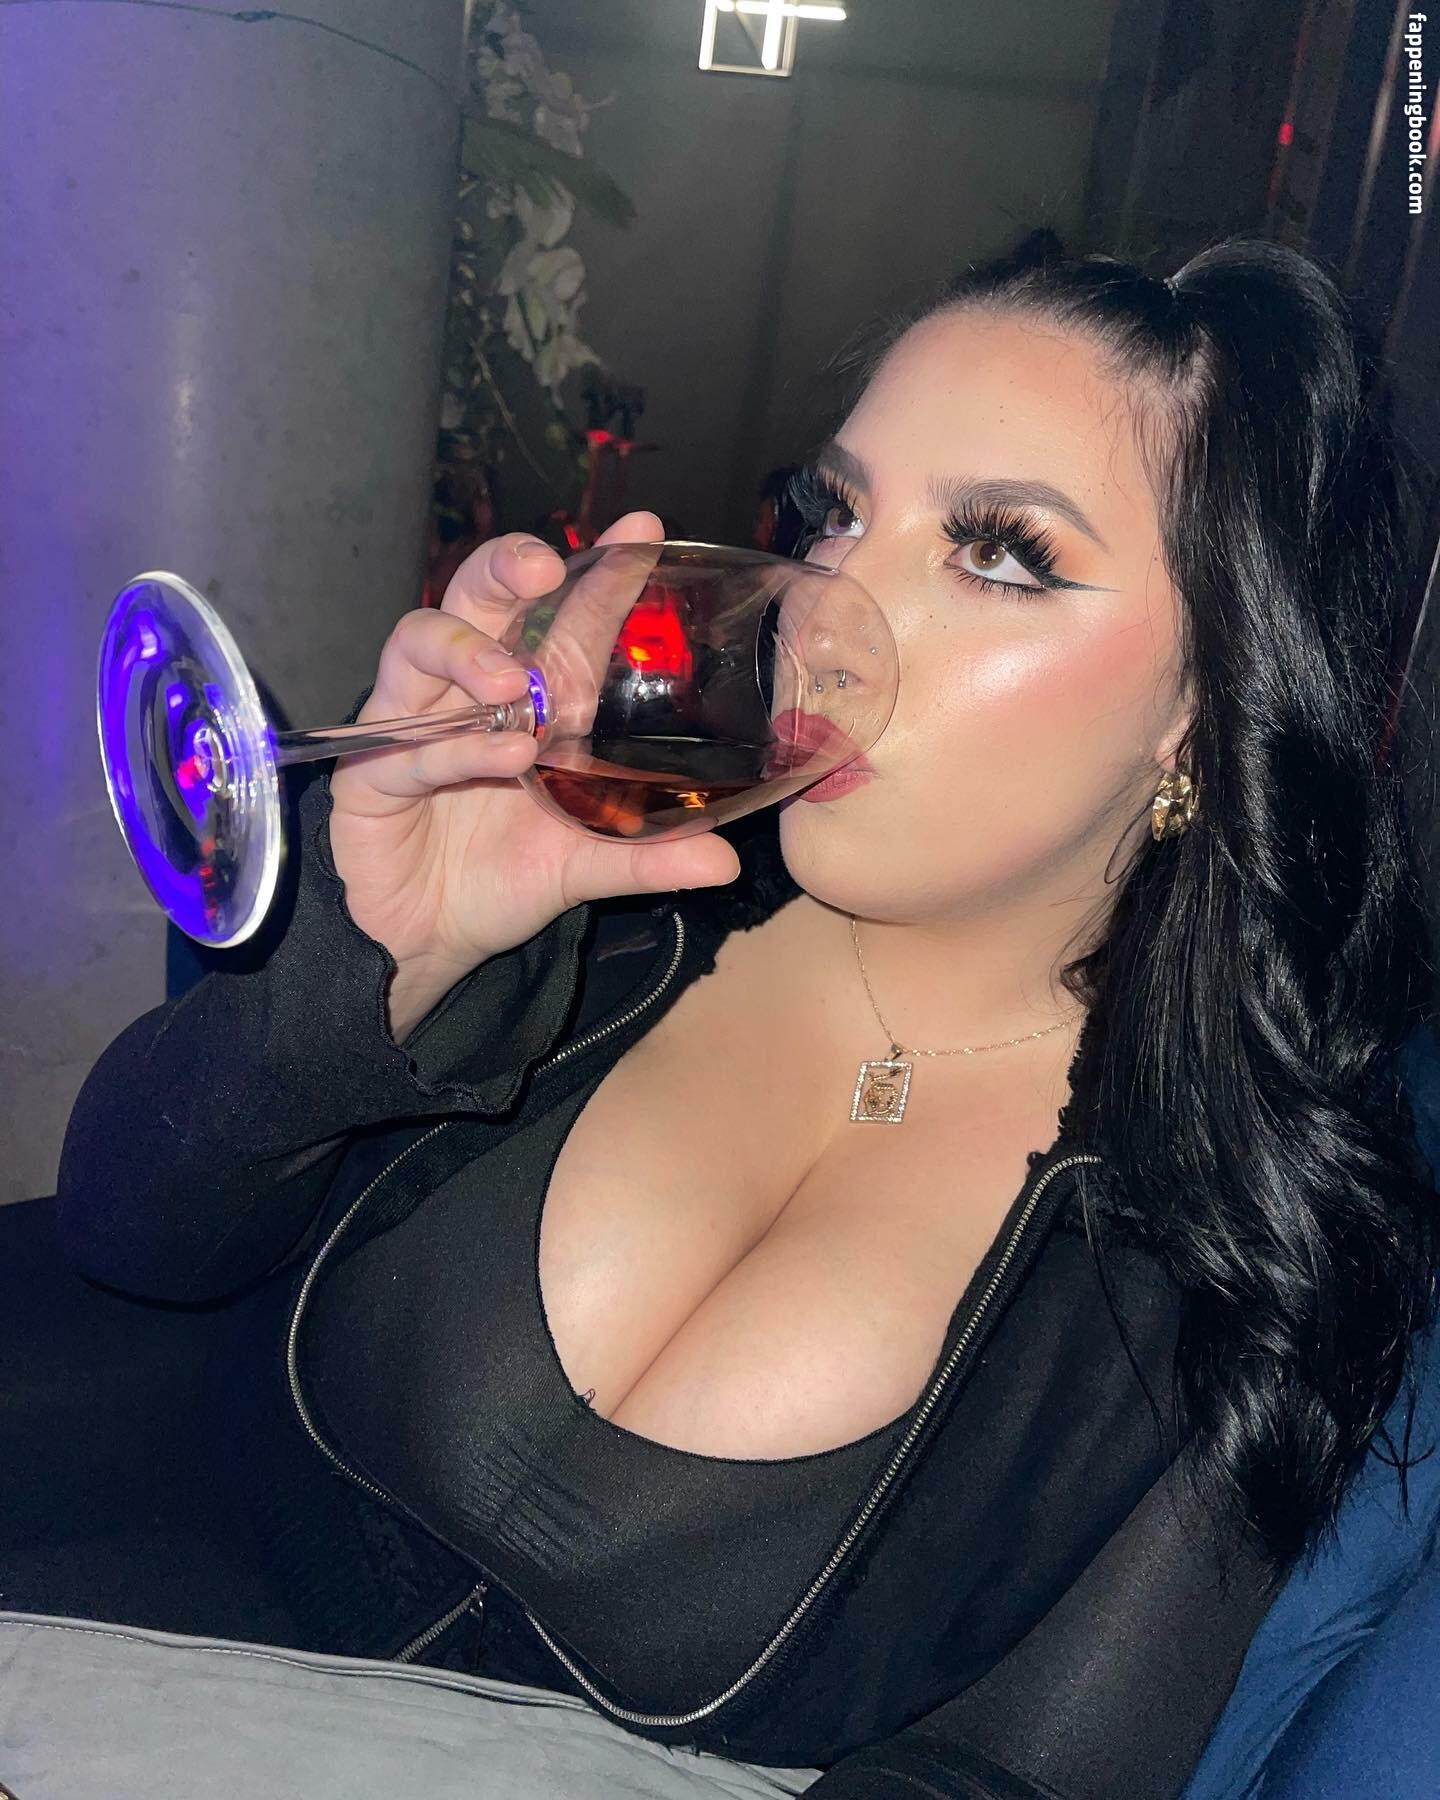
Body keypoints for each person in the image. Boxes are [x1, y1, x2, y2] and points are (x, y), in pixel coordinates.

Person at [53, 238, 1439, 1799]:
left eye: (997, 554)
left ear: (1203, 705)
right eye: (837, 513)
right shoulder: (600, 902)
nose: (827, 618)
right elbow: (125, 1236)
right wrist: (378, 958)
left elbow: (996, 1780)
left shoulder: (1236, 1271)